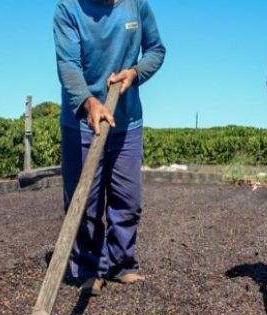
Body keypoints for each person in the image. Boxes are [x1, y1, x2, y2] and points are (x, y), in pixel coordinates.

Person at [54, 0, 166, 295]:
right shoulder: (68, 9)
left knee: (127, 198)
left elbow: (156, 50)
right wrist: (89, 102)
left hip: (126, 119)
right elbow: (68, 64)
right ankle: (88, 268)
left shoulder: (136, 5)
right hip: (82, 119)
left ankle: (120, 263)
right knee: (85, 201)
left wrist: (136, 73)